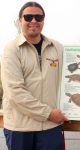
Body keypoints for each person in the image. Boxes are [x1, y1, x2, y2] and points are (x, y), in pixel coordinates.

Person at [1, 1, 68, 150]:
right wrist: (48, 113)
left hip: (51, 128)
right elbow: (15, 92)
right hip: (20, 129)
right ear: (20, 21)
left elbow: (75, 72)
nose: (33, 21)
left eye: (38, 17)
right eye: (28, 17)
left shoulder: (58, 47)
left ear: (43, 20)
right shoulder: (11, 50)